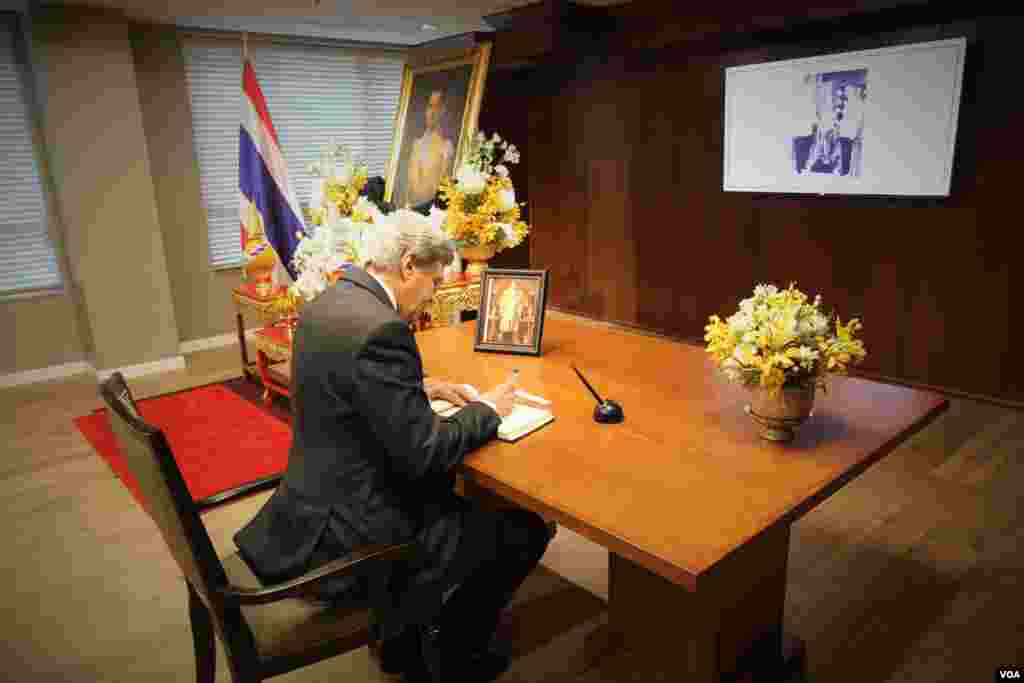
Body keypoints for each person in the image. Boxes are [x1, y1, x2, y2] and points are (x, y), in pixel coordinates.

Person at [234, 208, 552, 682]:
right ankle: (454, 654)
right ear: (408, 265)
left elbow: (347, 381)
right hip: (357, 532)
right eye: (432, 281)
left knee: (466, 504)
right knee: (524, 528)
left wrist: (417, 386)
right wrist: (488, 409)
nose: (430, 296)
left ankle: (407, 636)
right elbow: (425, 453)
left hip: (310, 505)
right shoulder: (383, 329)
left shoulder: (329, 302)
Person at [406, 90, 454, 208]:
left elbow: (442, 187)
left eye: (436, 107)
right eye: (429, 107)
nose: (431, 113)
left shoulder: (446, 147)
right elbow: (411, 185)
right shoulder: (416, 144)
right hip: (411, 207)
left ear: (443, 111)